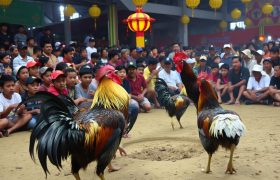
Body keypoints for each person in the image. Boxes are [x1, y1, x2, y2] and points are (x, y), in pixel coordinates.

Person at [115, 65, 139, 137]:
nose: (122, 74)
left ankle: (126, 130)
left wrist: (127, 102)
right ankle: (121, 131)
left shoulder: (126, 81)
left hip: (125, 101)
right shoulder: (113, 81)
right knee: (123, 111)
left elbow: (129, 94)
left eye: (124, 72)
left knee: (135, 106)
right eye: (120, 72)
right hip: (115, 102)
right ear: (116, 73)